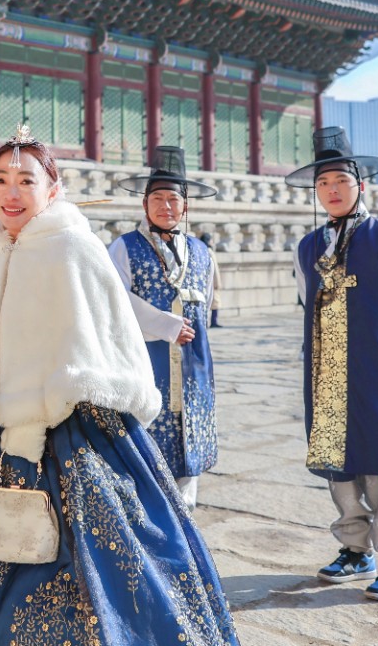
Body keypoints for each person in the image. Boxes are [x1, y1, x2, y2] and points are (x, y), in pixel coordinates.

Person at [0, 125, 237, 646]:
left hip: (71, 433)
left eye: (26, 181)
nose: (12, 193)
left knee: (97, 564)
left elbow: (110, 334)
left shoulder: (74, 248)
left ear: (52, 189)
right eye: (1, 180)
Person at [287, 126, 378, 603]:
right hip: (327, 371)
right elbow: (303, 299)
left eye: (340, 181)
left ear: (360, 186)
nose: (331, 191)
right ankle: (355, 549)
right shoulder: (308, 246)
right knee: (339, 464)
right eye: (323, 184)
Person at [106, 145, 220, 511]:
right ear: (144, 204)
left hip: (193, 367)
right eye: (157, 198)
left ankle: (187, 524)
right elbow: (114, 301)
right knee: (146, 444)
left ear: (185, 206)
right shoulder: (124, 248)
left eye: (174, 199)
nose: (165, 206)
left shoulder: (202, 252)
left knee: (190, 450)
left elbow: (207, 301)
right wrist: (166, 325)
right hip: (147, 361)